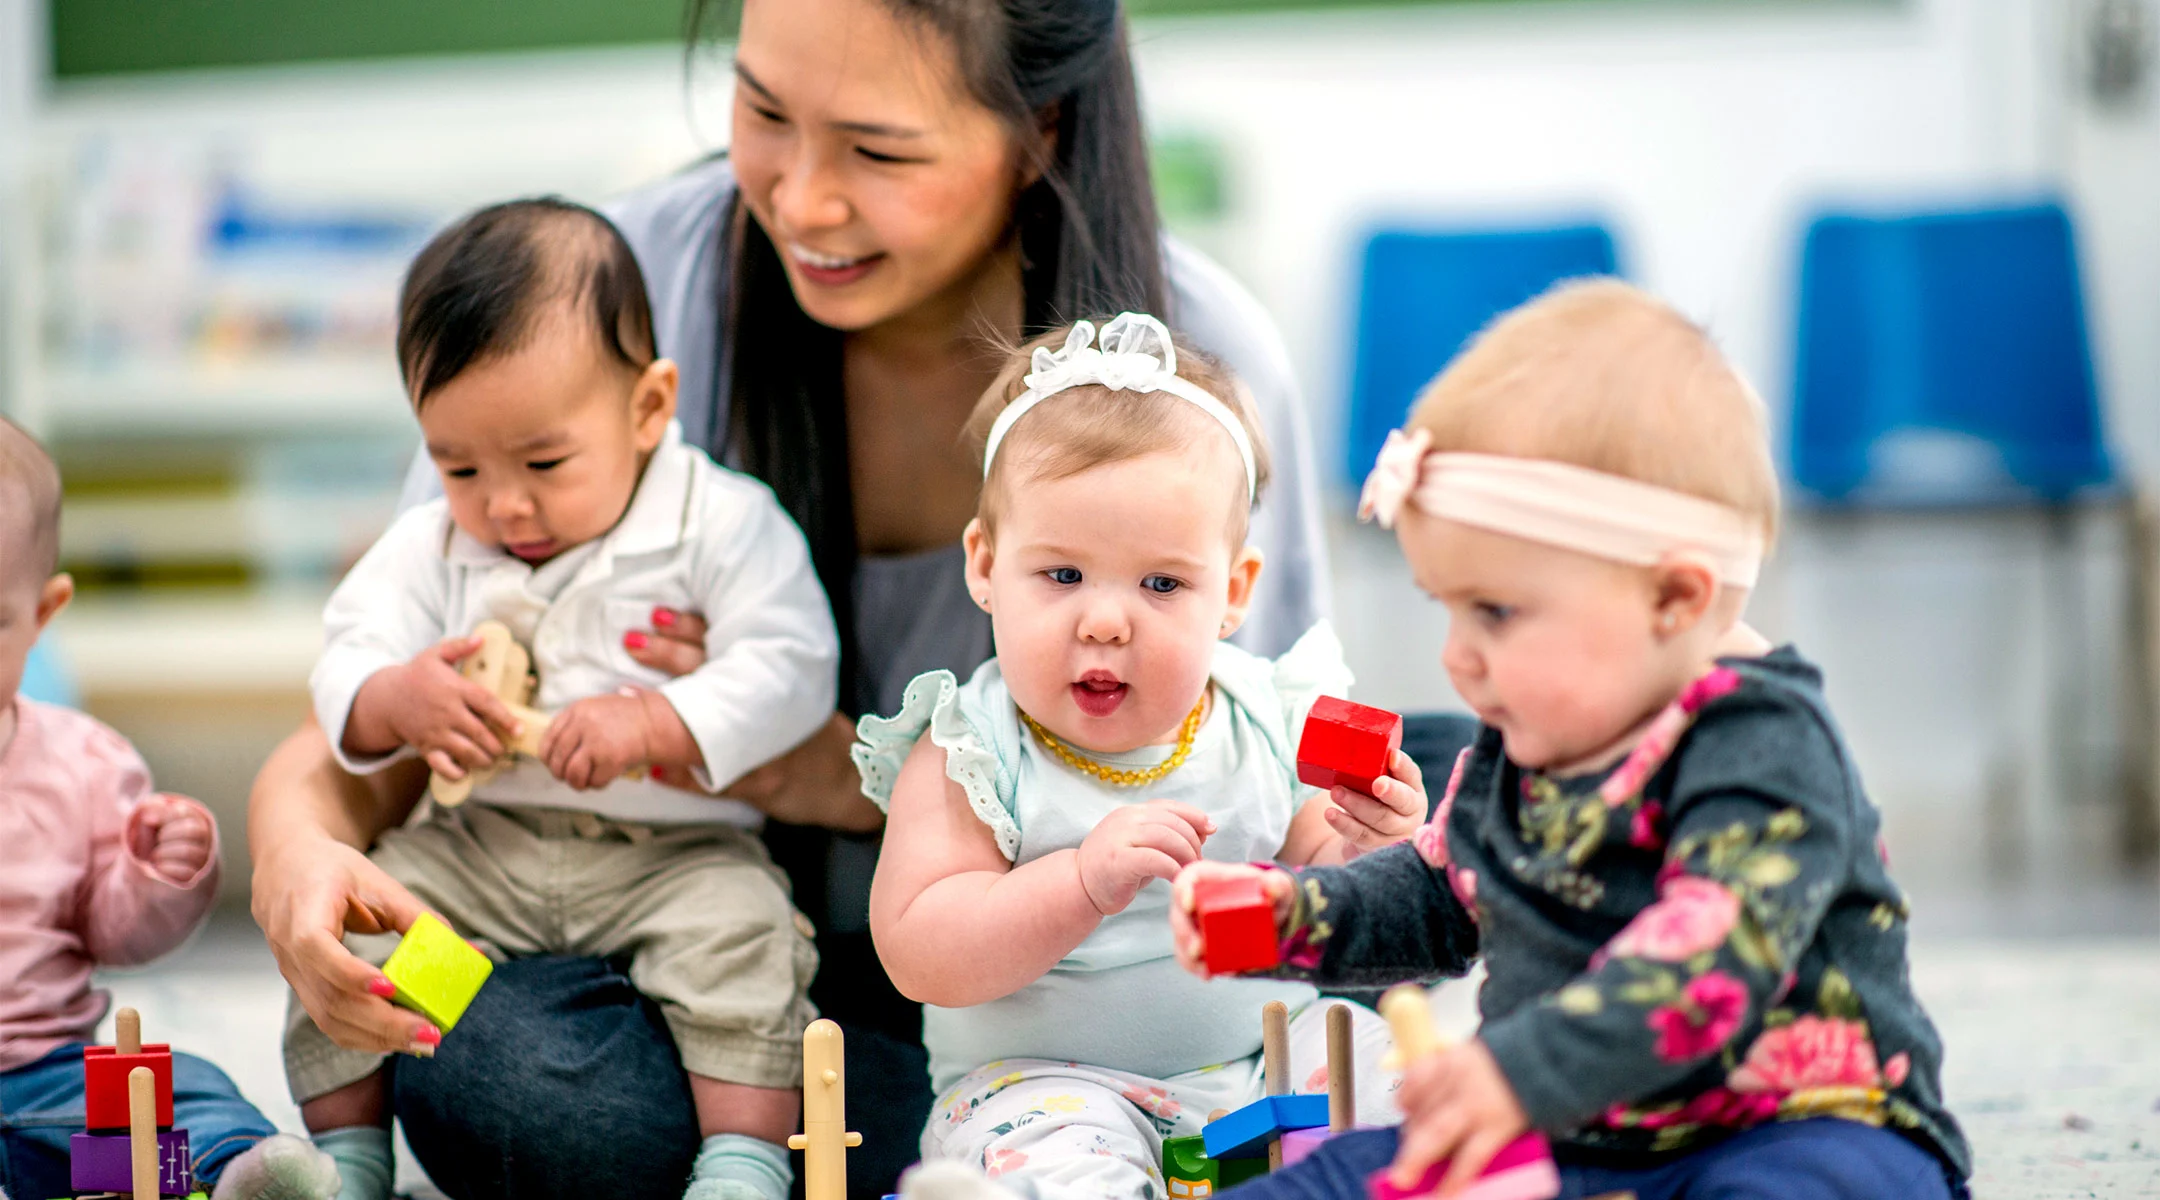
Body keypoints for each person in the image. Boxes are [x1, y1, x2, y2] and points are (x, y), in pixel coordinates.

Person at [247, 2, 1349, 1196]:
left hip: (1055, 998)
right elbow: (381, 718)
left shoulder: (1190, 380)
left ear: (1037, 126)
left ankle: (971, 1132)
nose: (803, 199)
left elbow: (1271, 804)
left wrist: (829, 772)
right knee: (498, 1062)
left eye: (879, 151)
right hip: (651, 933)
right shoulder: (594, 298)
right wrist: (294, 854)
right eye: (762, 112)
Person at [1168, 280, 1973, 1200]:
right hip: (1570, 1135)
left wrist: (1511, 1072)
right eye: (1450, 608)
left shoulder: (1763, 743)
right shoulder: (1528, 738)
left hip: (1795, 1125)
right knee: (1348, 1175)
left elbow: (1703, 960)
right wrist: (1285, 915)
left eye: (1497, 613)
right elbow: (1439, 895)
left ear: (1675, 599)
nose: (1458, 658)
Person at [288, 198, 837, 1200]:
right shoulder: (433, 544)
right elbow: (345, 654)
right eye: (460, 467)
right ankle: (349, 1156)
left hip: (672, 855)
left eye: (544, 463)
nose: (503, 504)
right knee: (375, 924)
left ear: (647, 408)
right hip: (483, 855)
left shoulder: (717, 521)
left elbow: (793, 659)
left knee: (742, 935)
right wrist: (398, 697)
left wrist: (660, 721)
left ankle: (743, 1159)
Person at [858, 314, 1421, 1200]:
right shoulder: (972, 745)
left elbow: (1327, 890)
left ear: (1232, 592)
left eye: (1162, 584)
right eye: (1062, 575)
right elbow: (920, 950)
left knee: (1402, 1082)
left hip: (1267, 1056)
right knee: (1050, 1157)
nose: (1106, 620)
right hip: (1042, 1082)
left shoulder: (1264, 716)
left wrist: (1374, 840)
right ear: (985, 565)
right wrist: (1080, 881)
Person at [0, 417, 338, 1200]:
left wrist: (157, 874)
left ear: (44, 614)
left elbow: (118, 932)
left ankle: (233, 1177)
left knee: (180, 1095)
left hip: (50, 1081)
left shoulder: (84, 765)